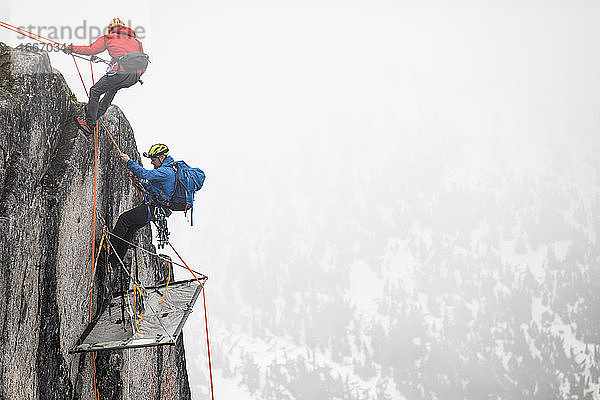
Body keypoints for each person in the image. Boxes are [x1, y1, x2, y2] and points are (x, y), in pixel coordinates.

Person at [64, 18, 147, 136]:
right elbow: (140, 61)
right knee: (112, 89)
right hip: (134, 77)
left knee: (95, 91)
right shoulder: (137, 42)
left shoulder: (108, 37)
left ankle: (89, 124)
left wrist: (71, 48)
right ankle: (96, 116)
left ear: (111, 29)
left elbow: (91, 50)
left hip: (119, 74)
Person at [111, 144, 175, 264]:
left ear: (162, 157)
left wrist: (129, 161)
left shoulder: (166, 172)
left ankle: (109, 246)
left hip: (153, 209)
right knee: (129, 230)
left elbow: (146, 174)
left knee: (124, 219)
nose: (152, 162)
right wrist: (140, 183)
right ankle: (114, 260)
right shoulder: (166, 171)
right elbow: (154, 189)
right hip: (154, 210)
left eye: (153, 159)